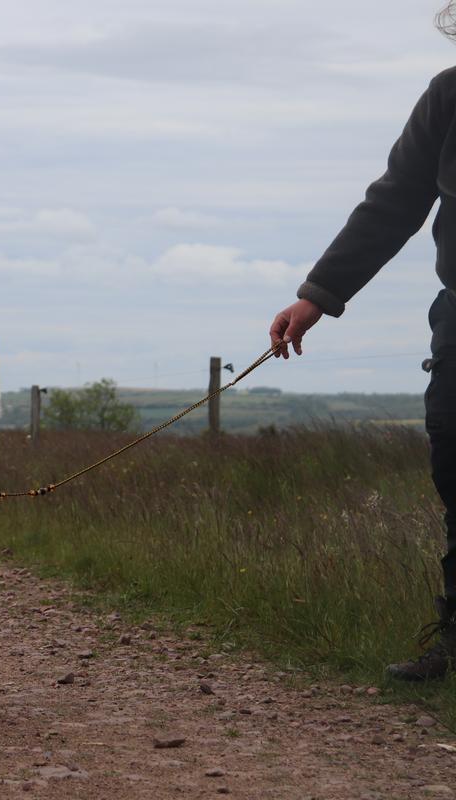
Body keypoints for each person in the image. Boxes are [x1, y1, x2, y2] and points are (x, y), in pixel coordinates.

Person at [268, 4, 456, 681]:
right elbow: (395, 202)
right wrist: (319, 294)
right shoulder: (447, 97)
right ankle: (455, 647)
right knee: (455, 469)